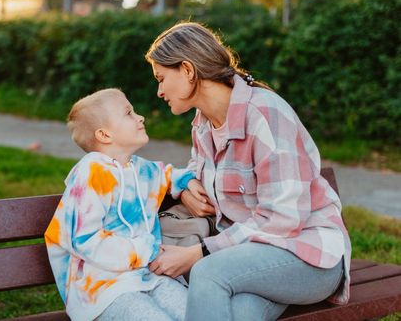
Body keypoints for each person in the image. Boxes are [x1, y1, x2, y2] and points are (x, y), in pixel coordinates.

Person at [145, 22, 351, 321]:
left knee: (207, 272)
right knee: (237, 314)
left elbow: (284, 219)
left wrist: (200, 252)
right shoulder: (203, 123)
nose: (159, 91)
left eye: (161, 78)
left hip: (307, 256)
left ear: (188, 70)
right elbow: (197, 167)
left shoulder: (265, 114)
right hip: (249, 261)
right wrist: (187, 184)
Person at [44, 88, 204, 321]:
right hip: (104, 289)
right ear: (105, 135)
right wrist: (144, 250)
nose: (140, 117)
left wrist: (186, 181)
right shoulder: (92, 172)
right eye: (128, 113)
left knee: (199, 313)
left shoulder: (137, 167)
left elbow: (167, 174)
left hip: (150, 276)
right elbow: (84, 239)